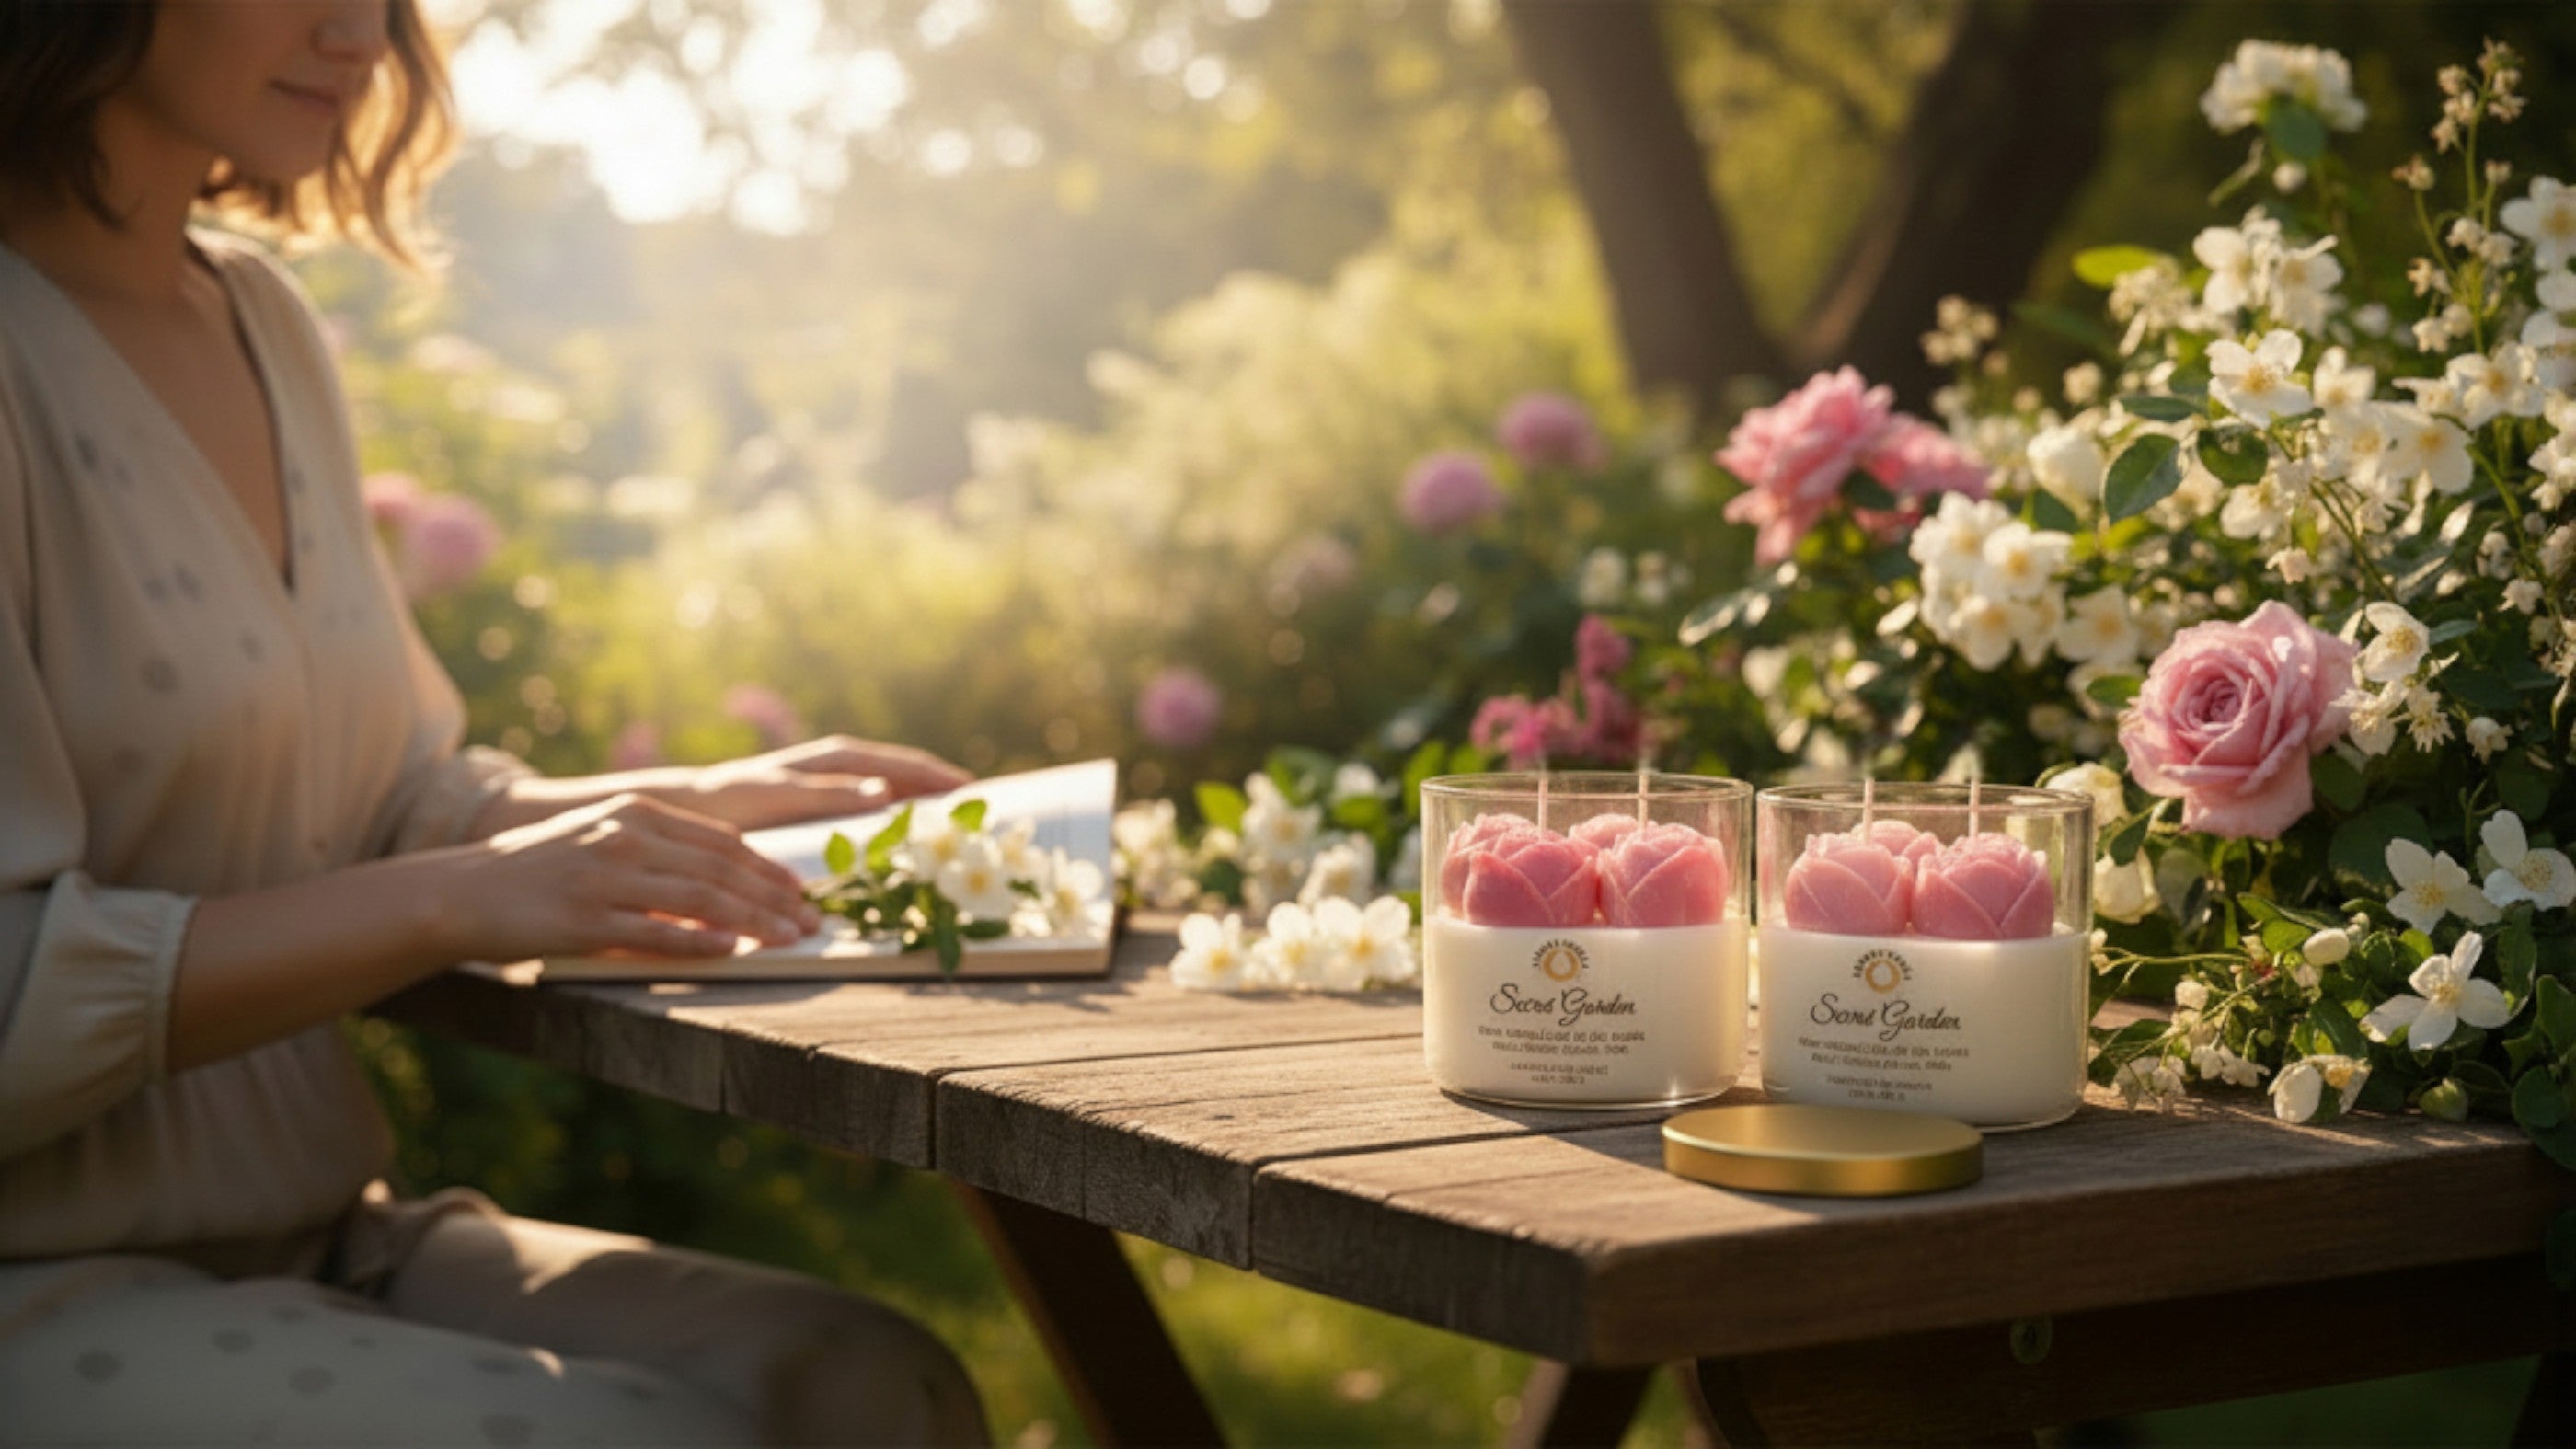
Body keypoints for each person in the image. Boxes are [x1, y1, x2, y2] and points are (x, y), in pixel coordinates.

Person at [0, 2, 990, 1442]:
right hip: (36, 1277)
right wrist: (455, 897)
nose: (362, 33)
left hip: (314, 1233)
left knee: (876, 1382)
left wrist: (698, 803)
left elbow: (384, 798)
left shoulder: (261, 319)